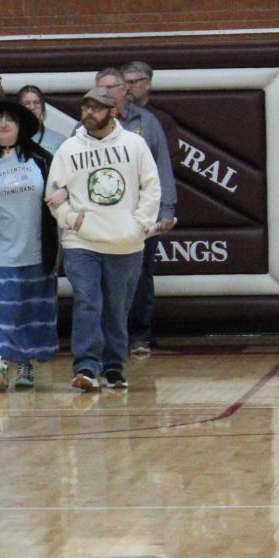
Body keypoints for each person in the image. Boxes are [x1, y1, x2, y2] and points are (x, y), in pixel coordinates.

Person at [45, 84, 160, 391]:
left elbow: (152, 187)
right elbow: (54, 194)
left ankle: (113, 366)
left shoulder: (134, 145)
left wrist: (139, 225)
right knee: (87, 302)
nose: (88, 113)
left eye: (95, 108)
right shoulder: (70, 149)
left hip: (126, 242)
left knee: (116, 307)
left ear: (113, 112)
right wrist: (71, 219)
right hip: (81, 242)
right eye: (85, 107)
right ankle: (85, 366)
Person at [0, 97, 60, 391]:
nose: (3, 124)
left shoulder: (42, 160)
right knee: (1, 308)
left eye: (10, 119)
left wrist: (64, 194)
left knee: (29, 311)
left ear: (21, 127)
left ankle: (26, 364)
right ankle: (0, 362)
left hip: (36, 250)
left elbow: (66, 185)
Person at [116, 62, 179, 355]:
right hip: (109, 209)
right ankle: (113, 333)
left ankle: (140, 333)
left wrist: (166, 208)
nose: (127, 87)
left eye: (133, 81)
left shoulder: (154, 121)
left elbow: (165, 166)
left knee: (141, 274)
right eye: (122, 82)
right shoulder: (92, 123)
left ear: (148, 83)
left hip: (143, 210)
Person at [17, 84, 57, 152]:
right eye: (27, 103)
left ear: (43, 107)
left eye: (36, 103)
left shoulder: (58, 140)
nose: (32, 107)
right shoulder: (11, 138)